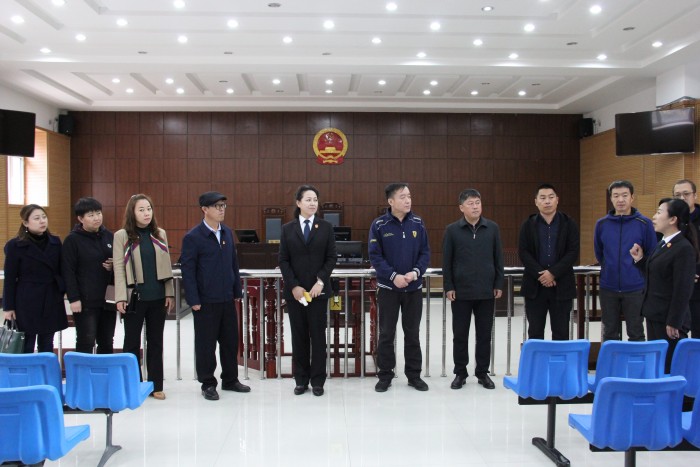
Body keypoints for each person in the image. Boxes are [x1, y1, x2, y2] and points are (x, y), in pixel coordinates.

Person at [180, 191, 251, 401]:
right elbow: (188, 271)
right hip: (205, 301)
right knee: (206, 344)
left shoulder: (227, 232)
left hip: (227, 298)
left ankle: (230, 379)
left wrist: (237, 291)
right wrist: (193, 299)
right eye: (217, 206)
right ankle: (208, 383)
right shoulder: (193, 237)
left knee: (230, 342)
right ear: (205, 209)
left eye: (223, 206)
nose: (221, 210)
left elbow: (233, 264)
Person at [369, 183, 430, 392]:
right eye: (402, 197)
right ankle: (385, 375)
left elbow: (425, 253)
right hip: (388, 289)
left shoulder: (418, 223)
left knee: (412, 333)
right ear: (391, 201)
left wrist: (415, 273)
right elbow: (375, 256)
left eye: (409, 196)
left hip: (413, 288)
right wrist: (393, 276)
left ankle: (414, 376)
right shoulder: (379, 225)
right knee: (386, 333)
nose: (407, 200)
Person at [113, 194, 174, 400]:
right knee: (131, 342)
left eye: (149, 209)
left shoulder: (159, 234)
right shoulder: (122, 236)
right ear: (132, 212)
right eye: (141, 210)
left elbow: (167, 264)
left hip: (158, 297)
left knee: (156, 342)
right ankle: (133, 384)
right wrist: (120, 297)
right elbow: (119, 268)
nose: (146, 213)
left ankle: (155, 385)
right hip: (134, 297)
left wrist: (169, 292)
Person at [278, 185, 337, 396]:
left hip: (317, 292)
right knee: (299, 335)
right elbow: (283, 260)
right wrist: (294, 285)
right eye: (308, 199)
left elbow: (331, 257)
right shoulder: (287, 229)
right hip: (296, 293)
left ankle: (318, 380)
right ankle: (301, 379)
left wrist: (320, 281)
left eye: (315, 200)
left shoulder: (326, 227)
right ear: (298, 203)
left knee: (318, 336)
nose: (313, 203)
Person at [443, 189, 503, 390]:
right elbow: (447, 261)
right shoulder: (452, 230)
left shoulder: (492, 228)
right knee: (460, 335)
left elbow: (498, 258)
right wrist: (449, 286)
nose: (475, 206)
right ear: (461, 207)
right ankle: (460, 372)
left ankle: (482, 372)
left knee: (484, 335)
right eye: (470, 203)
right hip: (461, 292)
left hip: (486, 291)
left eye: (478, 202)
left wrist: (498, 283)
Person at [630, 198, 699, 372]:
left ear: (673, 219)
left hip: (669, 320)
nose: (654, 216)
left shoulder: (683, 248)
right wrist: (640, 260)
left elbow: (683, 289)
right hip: (655, 313)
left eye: (659, 212)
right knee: (657, 365)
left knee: (669, 367)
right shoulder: (663, 243)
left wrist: (674, 321)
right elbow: (658, 274)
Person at [594, 180, 656, 342]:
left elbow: (652, 253)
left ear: (632, 197)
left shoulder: (644, 223)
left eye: (624, 195)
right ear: (611, 198)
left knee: (636, 332)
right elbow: (599, 253)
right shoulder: (602, 224)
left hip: (635, 287)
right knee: (609, 332)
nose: (620, 199)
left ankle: (635, 360)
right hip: (608, 286)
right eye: (616, 196)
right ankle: (612, 359)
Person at [2, 204, 68, 353]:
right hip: (26, 300)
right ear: (25, 223)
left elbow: (62, 269)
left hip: (51, 297)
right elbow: (10, 278)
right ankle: (26, 369)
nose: (42, 221)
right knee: (26, 343)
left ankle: (45, 369)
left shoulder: (55, 242)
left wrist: (61, 288)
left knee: (47, 343)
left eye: (44, 217)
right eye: (37, 218)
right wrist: (8, 307)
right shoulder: (15, 245)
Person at [518, 183, 580, 341]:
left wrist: (553, 273)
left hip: (561, 285)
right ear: (536, 201)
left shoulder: (569, 223)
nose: (547, 201)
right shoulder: (528, 224)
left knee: (561, 333)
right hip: (535, 286)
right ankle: (538, 359)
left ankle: (558, 359)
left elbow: (573, 252)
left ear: (557, 200)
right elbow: (524, 252)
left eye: (551, 197)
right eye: (543, 198)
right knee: (535, 332)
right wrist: (542, 275)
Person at [62, 197, 116, 354]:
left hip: (108, 298)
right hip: (85, 300)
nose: (96, 218)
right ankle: (83, 370)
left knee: (107, 341)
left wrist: (114, 265)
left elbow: (120, 262)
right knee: (86, 340)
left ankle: (104, 370)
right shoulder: (72, 240)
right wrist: (73, 298)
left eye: (98, 213)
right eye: (91, 215)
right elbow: (68, 271)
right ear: (80, 219)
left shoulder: (109, 236)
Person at [673, 179, 700, 338]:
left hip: (698, 285)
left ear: (695, 195)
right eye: (677, 195)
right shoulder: (670, 220)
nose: (682, 198)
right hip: (675, 287)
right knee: (675, 334)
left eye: (686, 194)